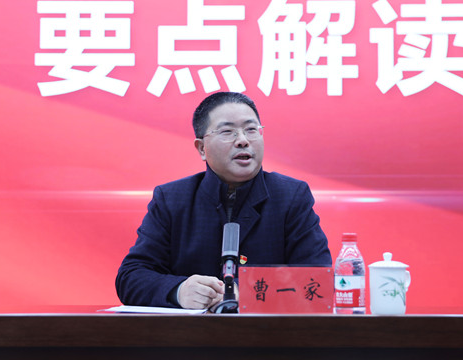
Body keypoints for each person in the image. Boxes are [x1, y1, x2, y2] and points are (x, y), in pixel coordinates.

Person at [116, 92, 331, 309]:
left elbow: (319, 280)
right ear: (202, 148)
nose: (243, 141)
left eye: (251, 129)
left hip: (267, 330)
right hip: (189, 331)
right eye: (228, 132)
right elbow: (130, 277)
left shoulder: (291, 196)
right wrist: (179, 290)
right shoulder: (172, 199)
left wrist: (245, 291)